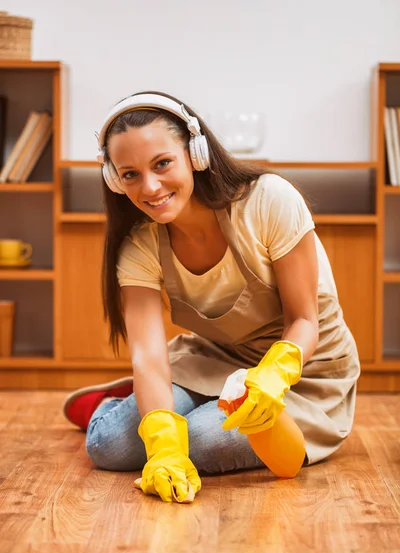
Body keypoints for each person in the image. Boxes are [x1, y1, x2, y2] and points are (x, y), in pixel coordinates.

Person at [63, 91, 360, 504]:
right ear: (114, 179)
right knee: (111, 446)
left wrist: (274, 374)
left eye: (162, 163)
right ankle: (113, 406)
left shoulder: (267, 202)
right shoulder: (141, 244)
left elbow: (304, 320)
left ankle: (137, 404)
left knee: (204, 439)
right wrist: (163, 450)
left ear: (196, 153)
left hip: (307, 371)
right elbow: (148, 357)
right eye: (129, 174)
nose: (150, 187)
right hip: (213, 359)